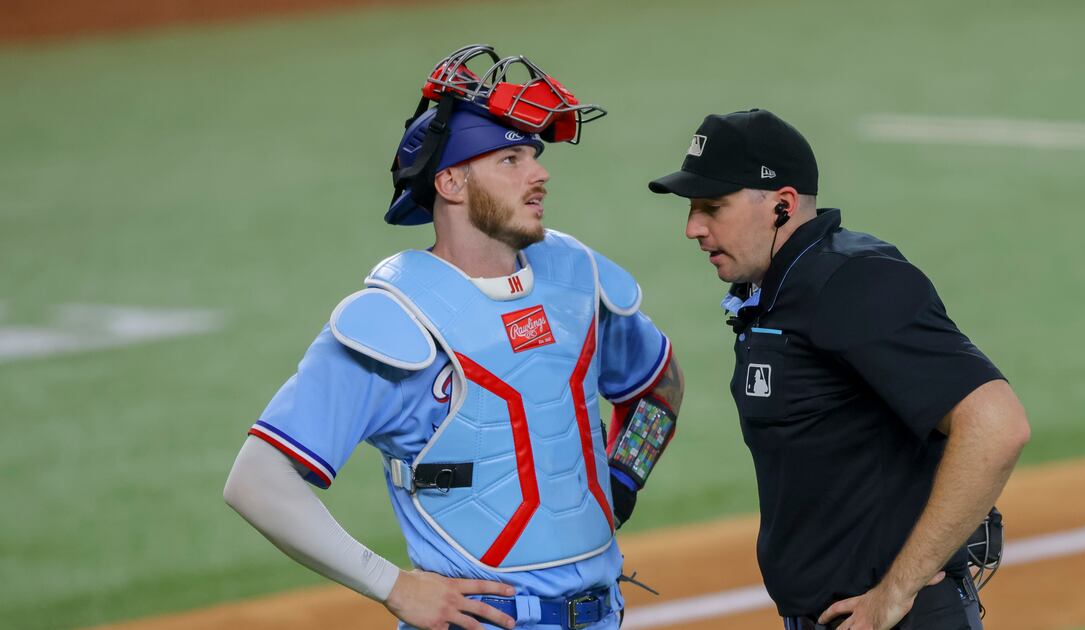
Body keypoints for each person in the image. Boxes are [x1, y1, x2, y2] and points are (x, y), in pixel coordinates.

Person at [224, 45, 683, 630]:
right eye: (511, 159)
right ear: (452, 182)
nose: (539, 173)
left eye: (535, 156)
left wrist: (622, 478)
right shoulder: (395, 323)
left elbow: (661, 384)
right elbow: (257, 480)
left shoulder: (575, 281)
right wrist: (391, 585)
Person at [647, 109, 1029, 630]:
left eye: (713, 207)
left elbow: (996, 426)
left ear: (782, 205)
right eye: (693, 208)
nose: (693, 228)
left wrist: (898, 590)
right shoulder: (778, 292)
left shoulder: (850, 283)